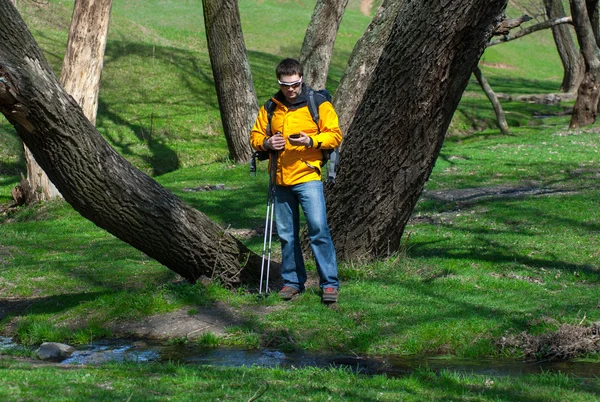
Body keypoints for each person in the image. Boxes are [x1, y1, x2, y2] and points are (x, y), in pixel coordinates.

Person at [250, 58, 342, 304]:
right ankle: (292, 282)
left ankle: (329, 284)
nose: (290, 89)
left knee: (318, 230)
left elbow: (335, 135)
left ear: (302, 79)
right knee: (287, 235)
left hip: (308, 176)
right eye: (285, 85)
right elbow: (256, 136)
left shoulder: (318, 103)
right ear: (279, 82)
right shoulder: (270, 107)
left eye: (295, 84)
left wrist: (310, 141)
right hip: (279, 179)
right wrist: (267, 143)